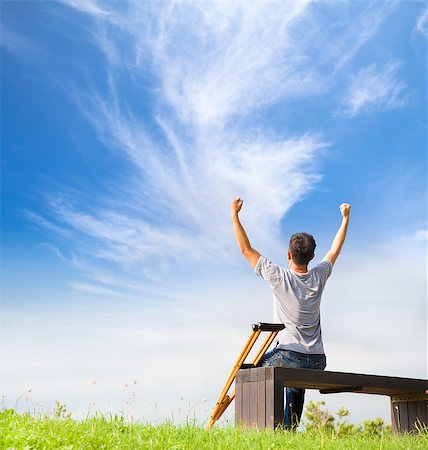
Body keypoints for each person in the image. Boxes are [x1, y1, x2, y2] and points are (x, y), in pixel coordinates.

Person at [231, 197, 351, 429]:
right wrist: (345, 219)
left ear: (288, 254)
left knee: (249, 374)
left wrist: (235, 215)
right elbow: (335, 249)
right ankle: (288, 430)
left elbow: (245, 249)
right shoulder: (319, 275)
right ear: (312, 257)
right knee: (295, 379)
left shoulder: (278, 276)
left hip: (289, 356)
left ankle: (258, 428)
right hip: (317, 360)